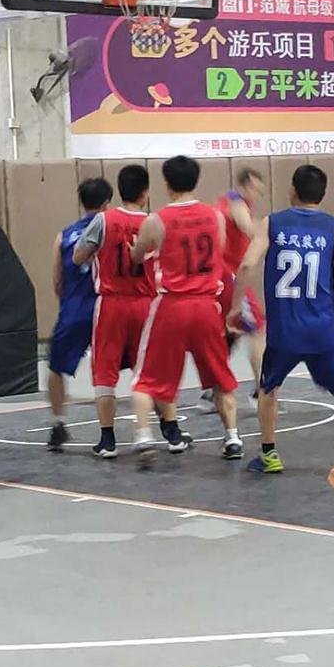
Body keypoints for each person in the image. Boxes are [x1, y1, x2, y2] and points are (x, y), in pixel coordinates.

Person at [231, 164, 334, 475]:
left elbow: (247, 265)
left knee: (269, 389)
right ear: (323, 193)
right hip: (324, 327)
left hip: (284, 330)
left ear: (292, 189)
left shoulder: (273, 223)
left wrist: (235, 307)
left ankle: (269, 454)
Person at [130, 155, 241, 464]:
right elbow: (218, 250)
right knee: (220, 376)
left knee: (146, 378)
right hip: (207, 305)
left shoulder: (157, 220)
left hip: (173, 304)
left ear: (167, 184)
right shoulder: (215, 216)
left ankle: (144, 436)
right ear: (196, 180)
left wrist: (141, 251)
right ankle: (233, 437)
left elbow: (137, 256)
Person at [71, 165, 171, 458]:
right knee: (150, 370)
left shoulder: (103, 220)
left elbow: (78, 256)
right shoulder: (155, 222)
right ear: (145, 193)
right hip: (146, 304)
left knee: (105, 371)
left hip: (112, 303)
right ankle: (171, 430)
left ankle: (107, 439)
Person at [46, 177, 113, 451]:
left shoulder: (63, 236)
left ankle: (58, 423)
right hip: (107, 308)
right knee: (140, 367)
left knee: (55, 367)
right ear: (107, 203)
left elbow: (57, 281)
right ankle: (166, 424)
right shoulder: (112, 228)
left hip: (74, 309)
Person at [196, 167, 268, 415]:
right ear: (244, 185)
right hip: (230, 279)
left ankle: (211, 391)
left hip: (221, 277)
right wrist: (270, 232)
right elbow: (249, 228)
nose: (257, 195)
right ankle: (261, 391)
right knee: (257, 329)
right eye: (256, 190)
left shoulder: (225, 202)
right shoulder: (236, 203)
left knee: (231, 333)